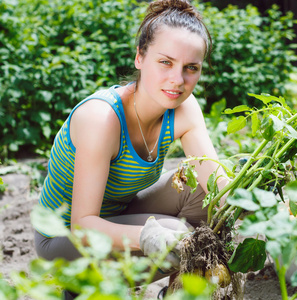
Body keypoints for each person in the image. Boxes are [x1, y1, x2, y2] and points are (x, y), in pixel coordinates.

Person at [33, 0, 227, 292]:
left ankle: (180, 295)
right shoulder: (102, 119)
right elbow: (82, 225)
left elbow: (219, 186)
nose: (178, 80)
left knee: (204, 190)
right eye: (166, 62)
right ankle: (81, 287)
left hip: (119, 211)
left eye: (191, 68)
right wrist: (150, 237)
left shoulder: (184, 109)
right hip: (64, 237)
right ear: (140, 58)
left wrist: (259, 203)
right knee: (177, 234)